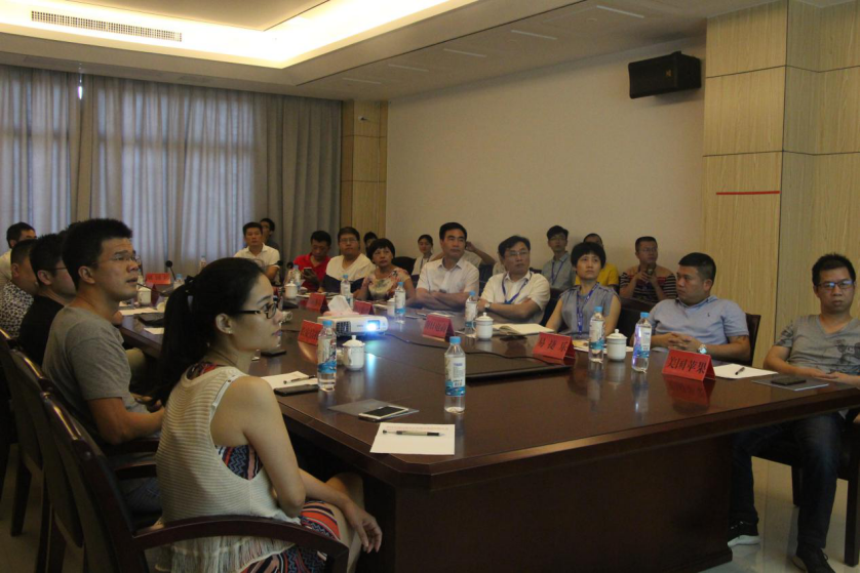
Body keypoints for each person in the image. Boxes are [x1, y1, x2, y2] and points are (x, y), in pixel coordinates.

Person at [153, 258, 382, 573]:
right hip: (242, 562)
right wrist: (339, 499)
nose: (279, 316)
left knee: (342, 495)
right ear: (225, 323)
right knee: (351, 483)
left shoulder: (190, 375)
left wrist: (341, 501)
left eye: (275, 303)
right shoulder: (247, 390)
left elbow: (262, 467)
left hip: (188, 557)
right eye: (265, 309)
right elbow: (293, 502)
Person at [729, 254, 860, 573]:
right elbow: (771, 359)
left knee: (821, 452)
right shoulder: (800, 324)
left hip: (825, 410)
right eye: (828, 285)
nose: (837, 291)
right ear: (816, 290)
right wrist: (802, 371)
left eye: (844, 284)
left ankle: (809, 547)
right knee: (732, 437)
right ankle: (744, 523)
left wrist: (847, 380)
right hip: (786, 399)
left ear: (854, 287)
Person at [42, 219, 162, 513]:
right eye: (120, 258)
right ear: (86, 273)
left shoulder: (73, 316)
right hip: (137, 477)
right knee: (250, 465)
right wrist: (171, 415)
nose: (133, 266)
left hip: (131, 463)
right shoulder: (90, 332)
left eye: (133, 256)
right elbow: (117, 429)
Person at [649, 253, 750, 362]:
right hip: (655, 368)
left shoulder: (726, 308)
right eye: (678, 277)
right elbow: (636, 339)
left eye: (687, 278)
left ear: (706, 284)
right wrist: (659, 341)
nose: (679, 283)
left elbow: (744, 351)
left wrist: (700, 348)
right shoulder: (662, 306)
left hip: (701, 369)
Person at [18, 234, 76, 365]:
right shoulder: (55, 323)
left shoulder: (48, 311)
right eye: (71, 267)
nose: (82, 273)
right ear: (45, 277)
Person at [546, 241, 620, 338]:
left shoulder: (610, 296)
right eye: (585, 259)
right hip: (567, 343)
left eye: (595, 260)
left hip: (593, 344)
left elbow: (607, 331)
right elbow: (550, 327)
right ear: (574, 266)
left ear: (601, 267)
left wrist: (585, 344)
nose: (590, 265)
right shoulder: (566, 296)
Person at [478, 236, 550, 324]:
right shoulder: (494, 280)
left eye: (523, 253)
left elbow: (523, 312)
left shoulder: (539, 281)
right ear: (503, 260)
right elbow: (482, 311)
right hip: (493, 330)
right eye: (513, 254)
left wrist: (488, 305)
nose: (519, 258)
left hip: (525, 333)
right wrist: (515, 314)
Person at [415, 222, 480, 311]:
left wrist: (436, 295)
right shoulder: (428, 267)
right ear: (442, 242)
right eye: (451, 239)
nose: (456, 244)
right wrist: (455, 305)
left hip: (457, 319)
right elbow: (421, 297)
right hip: (426, 317)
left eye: (461, 240)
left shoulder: (471, 270)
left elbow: (465, 300)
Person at [619, 236, 677, 303]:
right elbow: (623, 299)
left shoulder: (667, 275)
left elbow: (670, 305)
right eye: (646, 250)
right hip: (633, 308)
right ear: (637, 254)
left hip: (657, 309)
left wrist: (656, 285)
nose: (651, 253)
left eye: (654, 249)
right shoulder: (628, 273)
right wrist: (634, 279)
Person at [0, 239, 38, 338]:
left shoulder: (16, 293)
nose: (44, 274)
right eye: (37, 266)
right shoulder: (17, 311)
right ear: (16, 270)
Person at [323, 227, 374, 293]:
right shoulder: (333, 261)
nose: (348, 243)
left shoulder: (365, 263)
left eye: (352, 240)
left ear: (358, 243)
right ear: (338, 244)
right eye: (344, 240)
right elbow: (323, 287)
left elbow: (360, 293)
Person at [0, 222, 36, 291]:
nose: (33, 243)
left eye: (34, 239)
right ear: (13, 243)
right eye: (28, 240)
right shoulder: (8, 260)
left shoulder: (28, 257)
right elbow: (30, 285)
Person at [541, 225, 573, 294]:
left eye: (561, 238)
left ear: (566, 242)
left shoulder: (573, 263)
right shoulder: (546, 266)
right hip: (546, 298)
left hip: (565, 298)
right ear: (549, 243)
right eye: (554, 238)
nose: (557, 241)